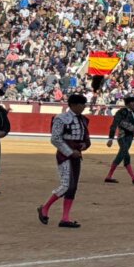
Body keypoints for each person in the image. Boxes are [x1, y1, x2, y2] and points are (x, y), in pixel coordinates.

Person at [38, 93, 91, 228]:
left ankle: (65, 218)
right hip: (64, 155)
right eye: (82, 104)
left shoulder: (84, 119)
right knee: (66, 185)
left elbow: (85, 138)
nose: (84, 107)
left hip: (76, 155)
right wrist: (70, 152)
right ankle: (45, 208)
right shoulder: (61, 118)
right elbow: (55, 139)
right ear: (73, 105)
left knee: (73, 187)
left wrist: (84, 145)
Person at [104, 94, 134, 184]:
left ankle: (133, 178)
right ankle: (109, 176)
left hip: (130, 137)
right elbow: (114, 124)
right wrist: (110, 138)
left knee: (126, 155)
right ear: (129, 103)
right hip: (122, 136)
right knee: (122, 153)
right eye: (133, 102)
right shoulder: (121, 112)